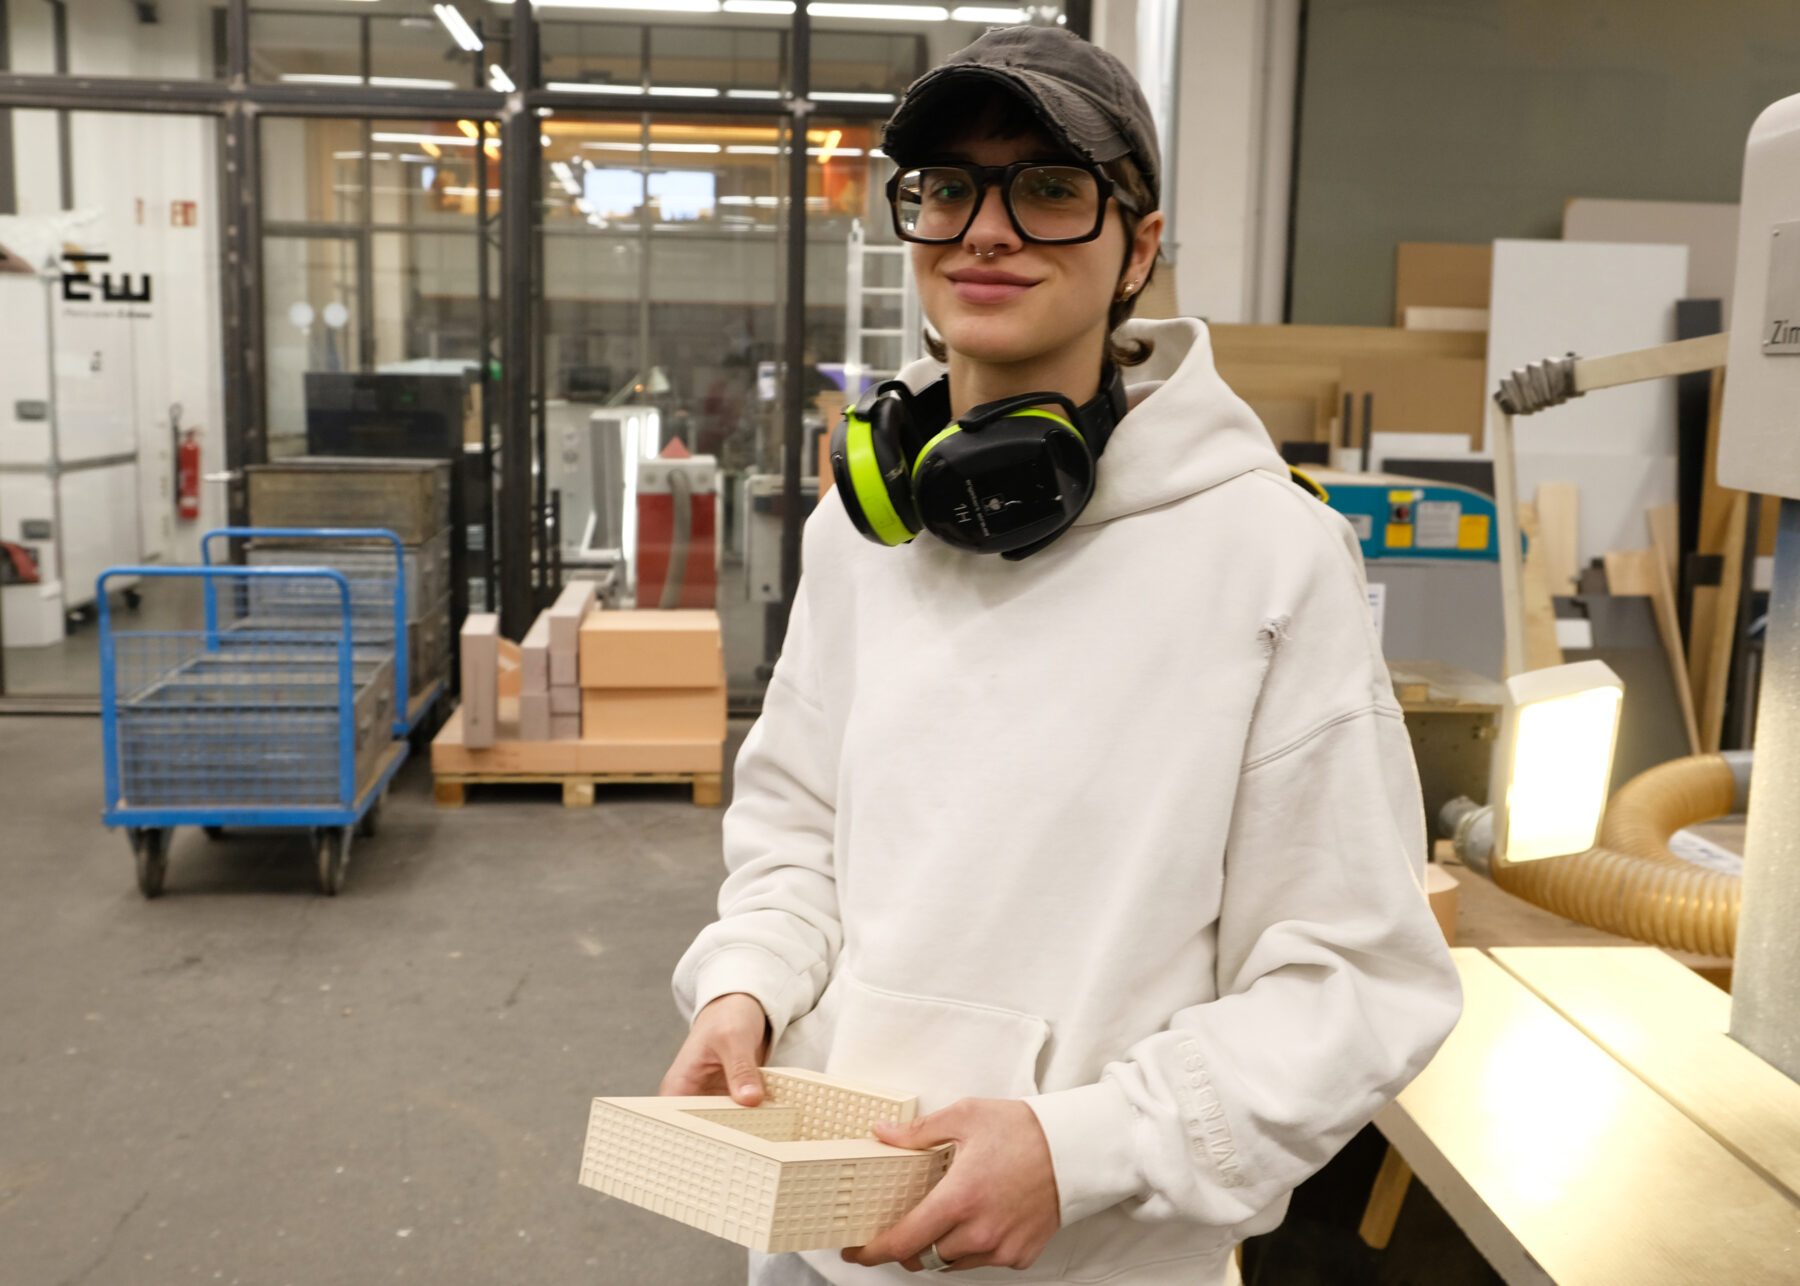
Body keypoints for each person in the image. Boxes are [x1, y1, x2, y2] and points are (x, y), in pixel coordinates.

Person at [661, 25, 1462, 1286]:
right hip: (825, 1240)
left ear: (1140, 245)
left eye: (1048, 186)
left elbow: (1356, 980)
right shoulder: (861, 530)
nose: (987, 230)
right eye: (947, 188)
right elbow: (798, 832)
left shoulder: (1264, 551)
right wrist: (748, 986)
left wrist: (1076, 1147)